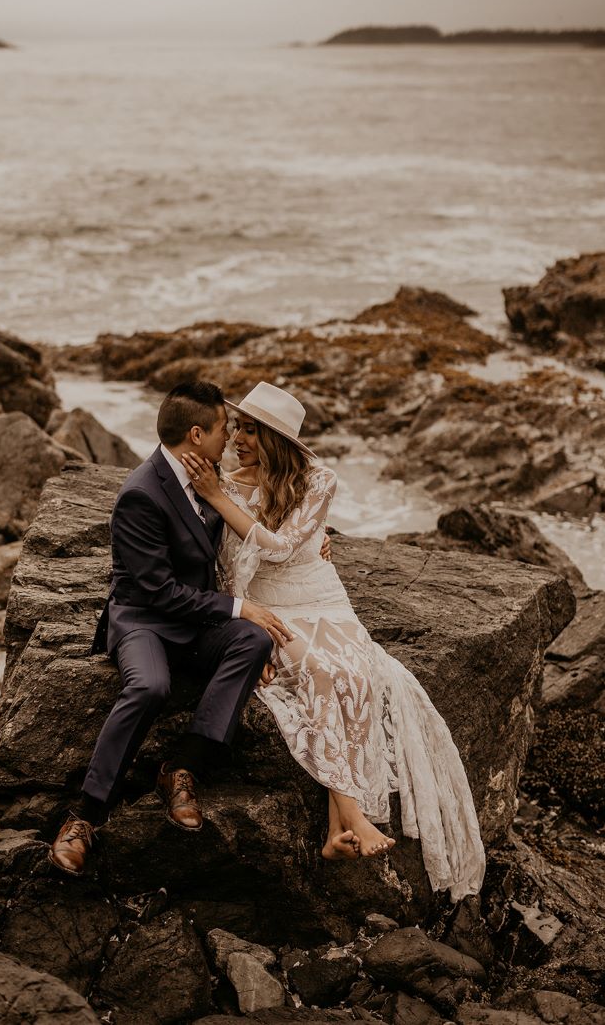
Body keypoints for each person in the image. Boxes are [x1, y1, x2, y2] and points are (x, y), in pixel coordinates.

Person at [181, 381, 486, 901]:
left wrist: (218, 497)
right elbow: (223, 568)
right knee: (320, 671)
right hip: (268, 603)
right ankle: (348, 819)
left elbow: (279, 548)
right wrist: (243, 628)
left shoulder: (318, 479)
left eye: (250, 431)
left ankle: (335, 831)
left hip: (321, 597)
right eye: (238, 429)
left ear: (277, 441)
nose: (237, 439)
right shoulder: (222, 481)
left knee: (357, 671)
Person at [49, 381, 291, 876]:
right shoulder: (140, 493)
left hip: (195, 623)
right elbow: (157, 592)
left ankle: (182, 768)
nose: (232, 438)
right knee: (151, 685)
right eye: (226, 429)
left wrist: (317, 543)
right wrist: (236, 606)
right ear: (197, 435)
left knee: (255, 639)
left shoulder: (208, 476)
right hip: (146, 620)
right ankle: (86, 815)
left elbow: (260, 513)